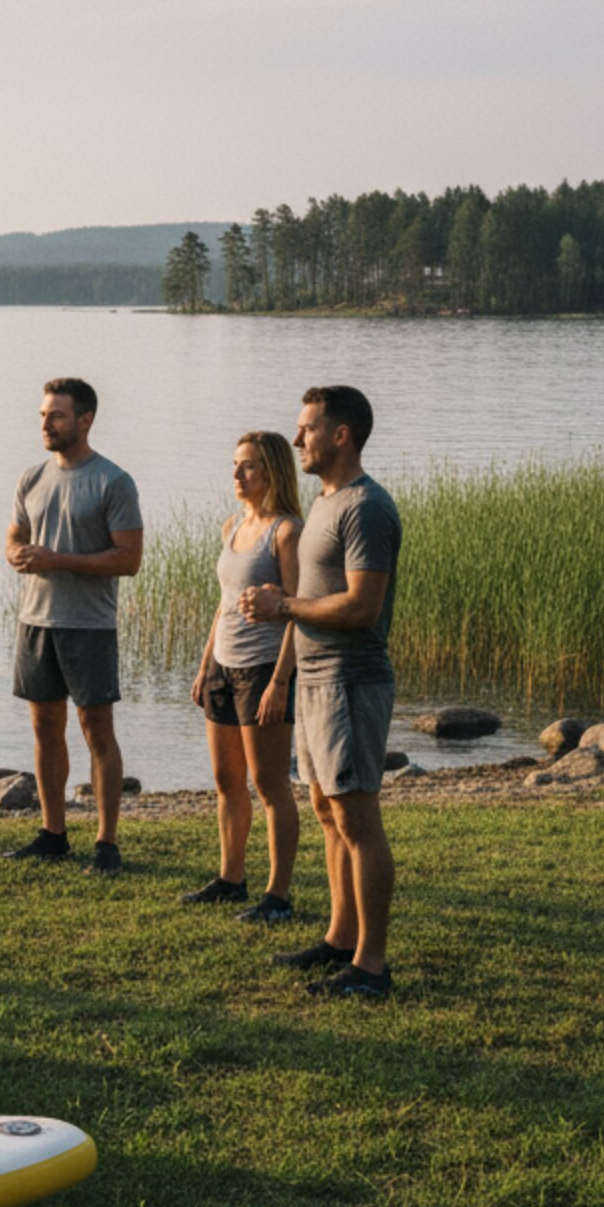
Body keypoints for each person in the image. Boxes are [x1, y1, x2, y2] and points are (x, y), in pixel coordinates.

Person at [240, 385, 402, 1000]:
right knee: (328, 811)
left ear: (341, 435)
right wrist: (286, 638)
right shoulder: (326, 505)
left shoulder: (366, 508)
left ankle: (372, 966)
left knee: (358, 817)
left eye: (307, 428)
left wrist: (284, 605)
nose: (297, 437)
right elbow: (313, 599)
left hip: (351, 678)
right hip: (314, 677)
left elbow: (363, 606)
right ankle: (339, 938)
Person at [3, 378, 144, 874]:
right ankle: (53, 833)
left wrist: (58, 559)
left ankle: (107, 843)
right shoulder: (31, 478)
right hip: (35, 620)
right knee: (45, 728)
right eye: (43, 414)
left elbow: (129, 560)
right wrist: (19, 555)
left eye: (56, 415)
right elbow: (14, 538)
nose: (46, 423)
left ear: (85, 421)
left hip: (88, 626)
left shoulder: (113, 481)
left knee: (96, 731)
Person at [184, 432, 302, 922]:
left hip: (263, 670)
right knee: (226, 779)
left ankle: (278, 897)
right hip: (223, 668)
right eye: (235, 464)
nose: (236, 474)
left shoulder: (287, 532)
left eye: (248, 466)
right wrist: (205, 663)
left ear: (271, 472)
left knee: (270, 783)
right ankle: (231, 879)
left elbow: (299, 611)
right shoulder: (232, 527)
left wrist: (279, 681)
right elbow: (224, 603)